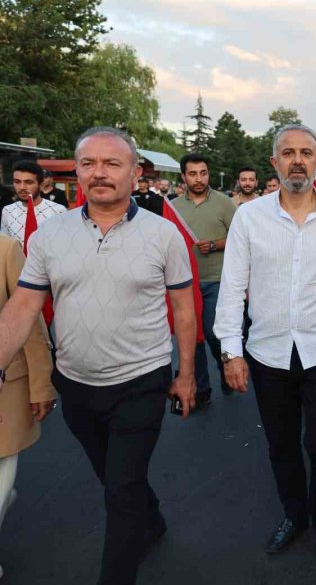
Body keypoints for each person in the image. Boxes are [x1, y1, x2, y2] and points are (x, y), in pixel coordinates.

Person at [0, 126, 196, 585]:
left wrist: (186, 374)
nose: (99, 173)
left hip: (141, 381)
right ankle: (152, 519)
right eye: (88, 164)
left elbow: (184, 310)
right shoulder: (50, 236)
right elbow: (23, 306)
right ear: (75, 173)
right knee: (115, 478)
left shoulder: (164, 235)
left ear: (135, 172)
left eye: (112, 164)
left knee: (120, 491)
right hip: (78, 385)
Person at [214, 124, 316, 568]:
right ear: (274, 162)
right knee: (281, 445)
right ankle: (294, 515)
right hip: (268, 352)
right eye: (288, 153)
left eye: (306, 153)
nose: (297, 160)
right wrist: (232, 350)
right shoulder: (250, 217)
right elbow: (232, 286)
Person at [0, 235, 56, 582]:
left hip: (6, 385)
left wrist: (41, 382)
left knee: (3, 465)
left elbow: (28, 316)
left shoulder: (5, 249)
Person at [171, 153, 237, 406]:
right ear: (183, 176)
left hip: (216, 280)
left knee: (211, 333)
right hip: (184, 284)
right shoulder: (174, 206)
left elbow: (240, 237)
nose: (199, 179)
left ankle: (225, 368)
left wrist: (216, 244)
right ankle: (201, 389)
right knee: (192, 338)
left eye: (203, 173)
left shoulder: (224, 203)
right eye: (193, 174)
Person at [0, 160, 67, 245]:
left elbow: (63, 245)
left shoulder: (58, 211)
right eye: (17, 182)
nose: (22, 187)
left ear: (41, 184)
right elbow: (4, 245)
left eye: (29, 182)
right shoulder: (7, 211)